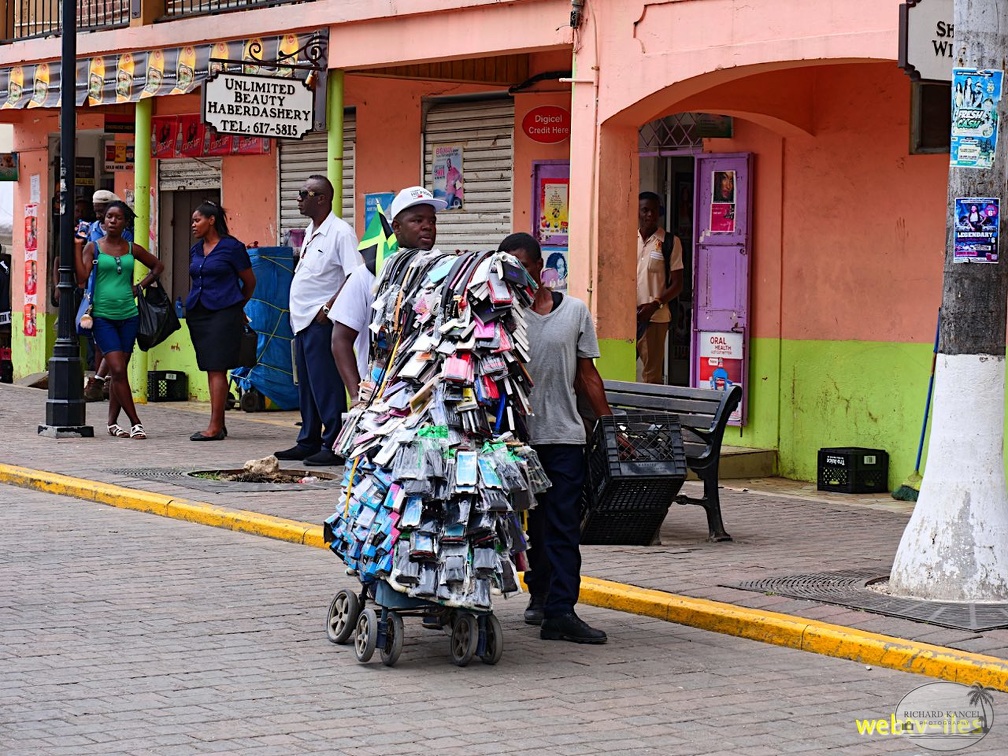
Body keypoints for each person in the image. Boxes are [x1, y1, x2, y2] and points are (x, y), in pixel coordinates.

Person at [499, 231, 612, 645]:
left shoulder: (575, 312)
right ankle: (540, 593)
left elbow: (586, 375)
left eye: (524, 270)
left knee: (562, 524)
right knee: (534, 526)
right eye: (509, 272)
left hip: (564, 437)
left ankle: (561, 610)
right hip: (516, 440)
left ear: (540, 269)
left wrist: (609, 424)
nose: (518, 280)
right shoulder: (497, 315)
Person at [274, 175, 362, 467]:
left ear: (322, 198)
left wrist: (329, 307)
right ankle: (308, 439)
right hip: (301, 320)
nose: (298, 199)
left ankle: (335, 443)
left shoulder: (341, 232)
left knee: (326, 384)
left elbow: (355, 275)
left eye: (304, 194)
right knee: (308, 385)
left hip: (320, 319)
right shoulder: (312, 230)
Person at [330, 186, 446, 403]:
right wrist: (356, 395)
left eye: (432, 221)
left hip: (428, 397)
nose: (427, 227)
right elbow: (340, 339)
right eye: (417, 220)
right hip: (380, 396)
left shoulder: (443, 272)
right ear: (396, 227)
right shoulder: (368, 274)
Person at [76, 200, 163, 440]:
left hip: (129, 316)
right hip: (103, 316)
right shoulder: (93, 248)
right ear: (102, 221)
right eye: (109, 217)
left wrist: (139, 287)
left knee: (119, 372)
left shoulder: (132, 248)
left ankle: (112, 423)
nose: (113, 221)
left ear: (125, 223)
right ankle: (136, 422)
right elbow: (82, 279)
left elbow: (157, 266)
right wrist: (76, 248)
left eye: (118, 217)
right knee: (116, 368)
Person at [185, 201, 256, 441]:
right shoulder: (195, 250)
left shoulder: (232, 247)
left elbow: (249, 282)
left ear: (211, 220)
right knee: (210, 366)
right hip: (198, 312)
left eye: (197, 220)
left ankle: (214, 427)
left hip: (224, 312)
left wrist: (237, 305)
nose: (193, 225)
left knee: (217, 367)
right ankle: (219, 424)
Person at [79, 190, 133, 402]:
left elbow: (150, 264)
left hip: (121, 299)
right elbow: (83, 268)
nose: (102, 216)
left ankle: (101, 380)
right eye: (100, 212)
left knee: (114, 348)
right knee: (99, 341)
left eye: (106, 212)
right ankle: (101, 380)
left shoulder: (127, 238)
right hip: (94, 293)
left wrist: (137, 287)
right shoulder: (91, 232)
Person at [637, 192, 684, 384]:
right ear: (637, 212)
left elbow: (677, 284)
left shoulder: (670, 242)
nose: (650, 215)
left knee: (651, 375)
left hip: (654, 318)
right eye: (645, 210)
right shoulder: (626, 239)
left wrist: (654, 305)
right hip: (627, 319)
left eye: (654, 211)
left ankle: (649, 414)